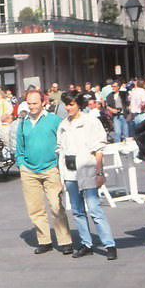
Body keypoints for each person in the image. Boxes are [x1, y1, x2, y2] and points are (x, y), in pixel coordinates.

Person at [57, 91, 117, 260]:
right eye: (66, 105)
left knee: (95, 209)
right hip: (70, 173)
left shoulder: (90, 122)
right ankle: (86, 243)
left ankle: (109, 244)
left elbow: (98, 150)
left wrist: (99, 172)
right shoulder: (63, 125)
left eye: (72, 104)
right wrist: (61, 178)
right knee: (77, 211)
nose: (68, 108)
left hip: (87, 170)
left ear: (79, 105)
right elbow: (61, 150)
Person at [14, 90, 73, 255]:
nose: (32, 106)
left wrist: (59, 165)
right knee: (35, 209)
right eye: (29, 103)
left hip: (50, 168)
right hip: (29, 170)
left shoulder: (54, 120)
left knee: (56, 206)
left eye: (35, 103)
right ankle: (44, 240)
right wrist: (21, 164)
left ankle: (65, 241)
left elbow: (64, 141)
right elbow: (19, 146)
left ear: (43, 103)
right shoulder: (23, 122)